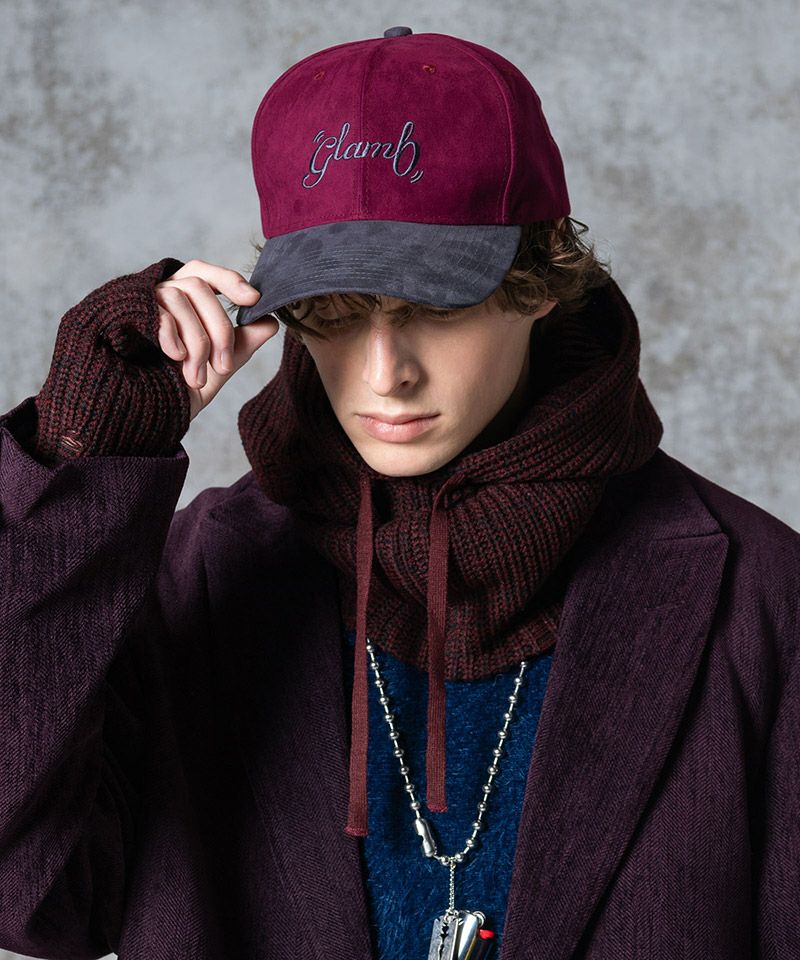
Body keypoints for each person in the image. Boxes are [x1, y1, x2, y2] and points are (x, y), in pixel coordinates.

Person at [0, 25, 797, 960]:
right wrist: (79, 461)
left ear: (543, 280)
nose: (386, 373)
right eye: (333, 314)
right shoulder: (198, 575)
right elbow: (31, 899)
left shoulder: (758, 596)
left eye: (437, 306)